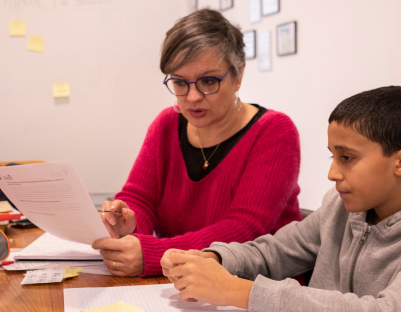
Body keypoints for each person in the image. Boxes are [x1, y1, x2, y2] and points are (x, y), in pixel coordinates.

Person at [161, 86, 401, 312]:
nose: (332, 173)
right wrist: (216, 259)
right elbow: (274, 252)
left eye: (347, 158)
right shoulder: (338, 207)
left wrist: (236, 291)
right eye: (333, 156)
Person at [92, 9, 302, 277]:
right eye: (179, 82)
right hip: (184, 287)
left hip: (258, 290)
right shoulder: (166, 125)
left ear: (238, 75)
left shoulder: (274, 132)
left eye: (208, 81)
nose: (192, 97)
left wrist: (154, 255)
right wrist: (127, 222)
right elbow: (139, 198)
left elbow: (244, 229)